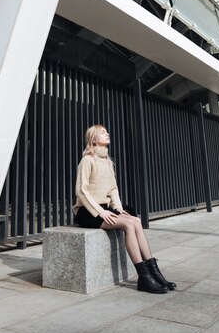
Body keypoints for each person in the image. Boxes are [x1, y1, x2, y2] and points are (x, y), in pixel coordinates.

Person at [73, 124, 177, 294]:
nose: (107, 134)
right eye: (103, 133)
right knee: (128, 225)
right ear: (93, 139)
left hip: (105, 208)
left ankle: (154, 273)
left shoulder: (107, 162)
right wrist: (100, 211)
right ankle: (143, 277)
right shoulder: (87, 160)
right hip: (87, 212)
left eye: (107, 132)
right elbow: (81, 190)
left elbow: (113, 189)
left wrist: (118, 208)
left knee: (135, 220)